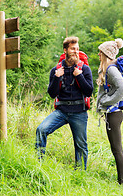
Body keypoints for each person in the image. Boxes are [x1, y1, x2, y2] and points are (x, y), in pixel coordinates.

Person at [35, 36, 93, 170]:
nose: (76, 51)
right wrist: (56, 77)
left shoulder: (84, 69)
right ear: (65, 50)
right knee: (41, 130)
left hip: (79, 112)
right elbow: (51, 94)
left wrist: (79, 75)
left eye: (77, 49)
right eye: (73, 49)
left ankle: (80, 174)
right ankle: (38, 164)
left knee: (81, 146)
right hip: (61, 111)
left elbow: (89, 91)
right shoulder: (56, 70)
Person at [96, 38, 123, 185]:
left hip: (114, 114)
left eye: (100, 52)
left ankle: (122, 182)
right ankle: (121, 180)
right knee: (115, 147)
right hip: (113, 113)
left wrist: (107, 101)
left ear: (106, 54)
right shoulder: (107, 68)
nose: (98, 54)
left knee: (117, 148)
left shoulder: (111, 69)